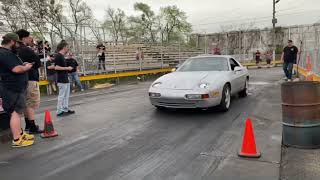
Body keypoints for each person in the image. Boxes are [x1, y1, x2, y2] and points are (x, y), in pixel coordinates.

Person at [0, 33, 34, 147]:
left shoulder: (6, 53)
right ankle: (17, 139)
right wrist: (26, 67)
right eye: (16, 43)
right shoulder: (5, 53)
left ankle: (19, 133)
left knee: (16, 112)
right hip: (13, 88)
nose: (18, 45)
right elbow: (16, 69)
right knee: (16, 112)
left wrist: (22, 64)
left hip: (13, 87)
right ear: (12, 42)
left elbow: (13, 66)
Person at [16, 29, 43, 134]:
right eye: (28, 37)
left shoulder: (15, 50)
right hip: (31, 78)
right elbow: (37, 63)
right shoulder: (26, 49)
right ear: (23, 38)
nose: (30, 39)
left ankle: (28, 125)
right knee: (31, 103)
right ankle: (32, 126)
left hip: (21, 79)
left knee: (26, 103)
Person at [54, 40, 75, 117]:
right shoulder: (58, 56)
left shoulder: (62, 56)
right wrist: (67, 68)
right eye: (67, 47)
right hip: (61, 79)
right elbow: (56, 67)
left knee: (66, 96)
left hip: (65, 78)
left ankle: (65, 109)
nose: (68, 49)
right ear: (63, 47)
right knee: (61, 96)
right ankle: (59, 111)